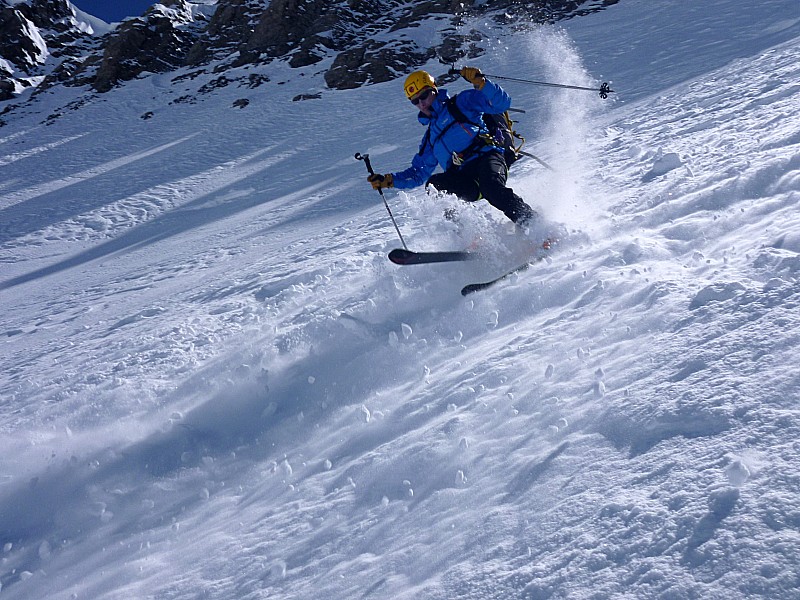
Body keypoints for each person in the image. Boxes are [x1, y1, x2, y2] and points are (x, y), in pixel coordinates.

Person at [367, 67, 537, 226]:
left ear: (434, 90)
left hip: (487, 158)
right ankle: (471, 238)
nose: (422, 104)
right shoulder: (431, 137)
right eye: (415, 101)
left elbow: (501, 104)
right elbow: (419, 173)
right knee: (435, 186)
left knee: (491, 188)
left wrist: (482, 84)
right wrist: (388, 180)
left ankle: (534, 225)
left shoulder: (461, 103)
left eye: (424, 96)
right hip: (465, 178)